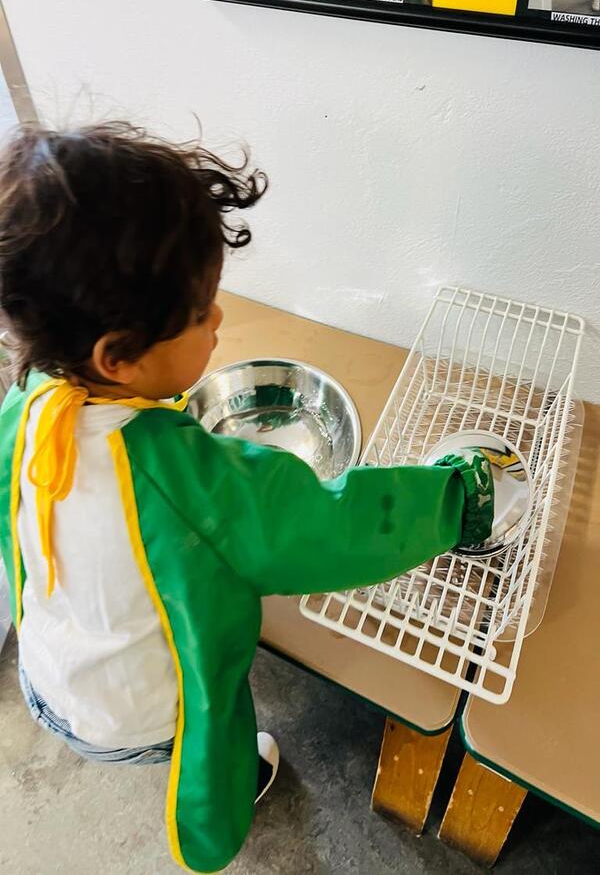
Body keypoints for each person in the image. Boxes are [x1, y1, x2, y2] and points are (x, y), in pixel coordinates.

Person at [0, 122, 493, 873]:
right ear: (118, 358)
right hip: (147, 710)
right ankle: (234, 784)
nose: (220, 319)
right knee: (214, 745)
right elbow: (333, 527)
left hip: (49, 673)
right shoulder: (183, 477)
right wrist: (457, 495)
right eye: (203, 313)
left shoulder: (30, 403)